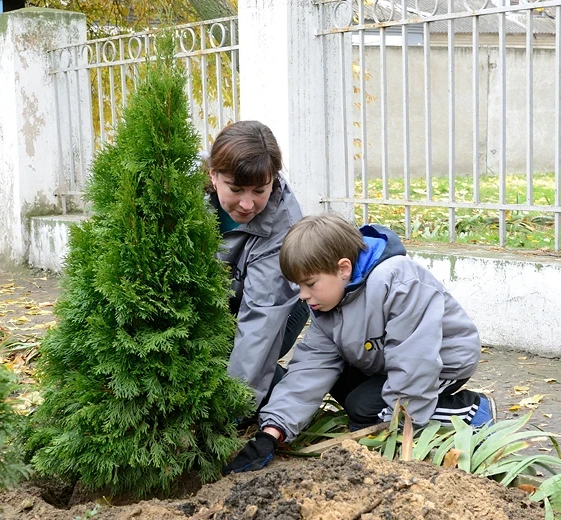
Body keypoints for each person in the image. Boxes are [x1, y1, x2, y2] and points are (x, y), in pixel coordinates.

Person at [222, 213, 495, 474]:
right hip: (383, 359)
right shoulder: (327, 301)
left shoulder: (397, 281)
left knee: (364, 409)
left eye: (309, 284)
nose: (303, 296)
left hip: (445, 361)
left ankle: (472, 409)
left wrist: (396, 423)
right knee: (340, 385)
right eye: (298, 286)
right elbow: (311, 369)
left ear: (343, 268)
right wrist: (272, 433)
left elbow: (416, 360)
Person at [207, 120, 309, 411]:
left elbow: (260, 321)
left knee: (244, 356)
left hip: (279, 306)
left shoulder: (284, 225)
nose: (248, 204)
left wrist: (232, 411)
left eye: (259, 191)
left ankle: (276, 395)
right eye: (236, 189)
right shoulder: (184, 197)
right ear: (214, 176)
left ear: (273, 179)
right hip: (226, 297)